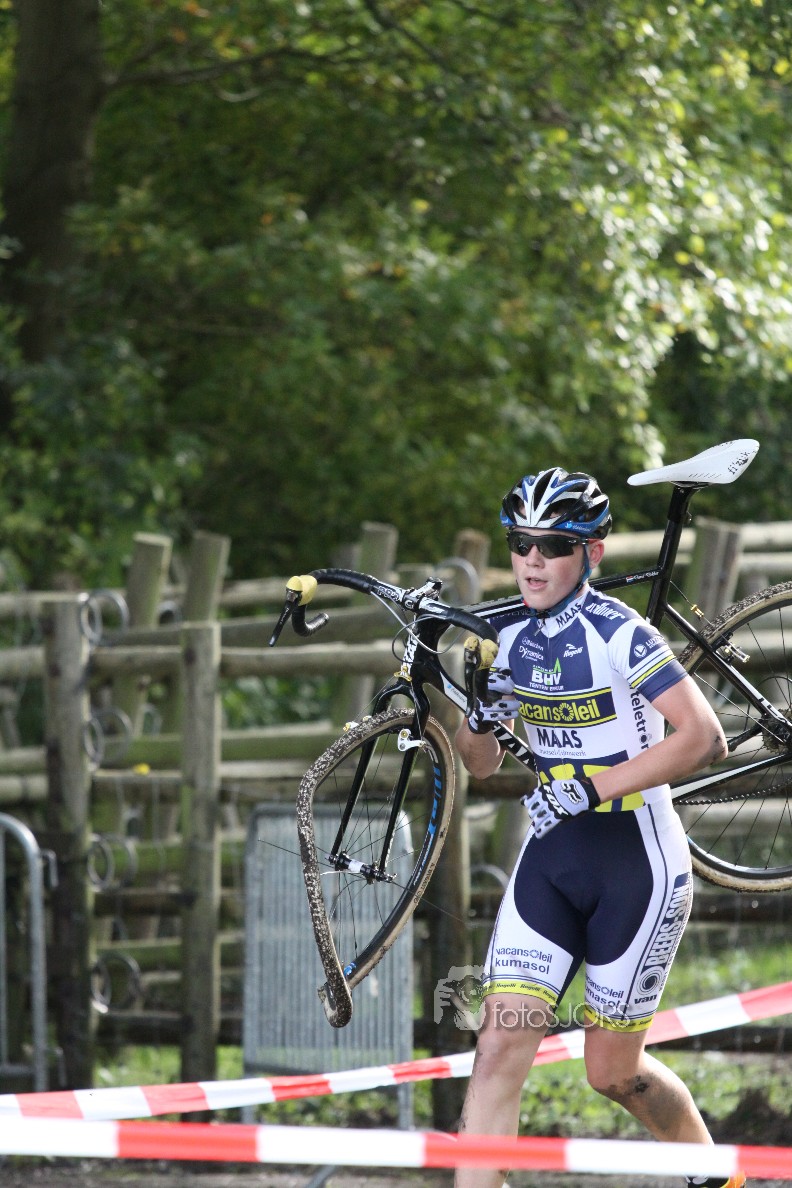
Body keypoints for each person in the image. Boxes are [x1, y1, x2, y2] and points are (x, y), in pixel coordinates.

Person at [454, 467, 745, 1188]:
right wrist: (479, 714)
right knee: (498, 1048)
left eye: (554, 545)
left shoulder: (621, 634)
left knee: (612, 1074)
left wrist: (589, 788)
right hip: (552, 859)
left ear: (592, 553)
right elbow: (481, 764)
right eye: (520, 542)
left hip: (637, 864)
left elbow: (704, 737)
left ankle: (719, 1179)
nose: (532, 560)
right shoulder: (504, 636)